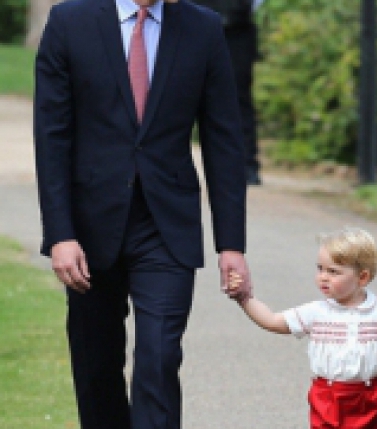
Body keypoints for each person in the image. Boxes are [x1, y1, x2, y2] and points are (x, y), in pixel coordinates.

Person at [33, 0, 252, 428]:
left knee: (160, 356)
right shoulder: (69, 21)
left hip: (166, 227)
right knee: (96, 366)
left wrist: (231, 244)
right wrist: (60, 233)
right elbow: (51, 137)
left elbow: (224, 139)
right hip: (88, 230)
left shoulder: (202, 28)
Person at [225, 227, 377, 429]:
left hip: (371, 398)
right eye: (320, 269)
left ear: (362, 278)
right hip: (328, 399)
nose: (323, 277)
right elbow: (273, 320)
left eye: (333, 271)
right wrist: (244, 297)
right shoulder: (317, 312)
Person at [192, 0, 262, 185]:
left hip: (235, 29)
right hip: (189, 25)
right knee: (173, 93)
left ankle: (247, 165)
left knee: (238, 98)